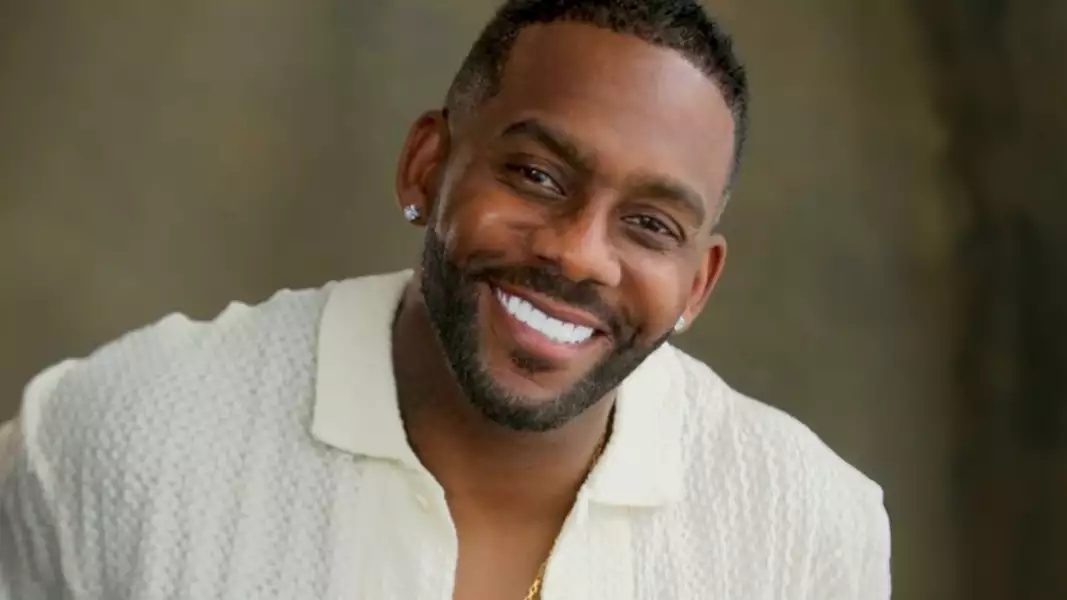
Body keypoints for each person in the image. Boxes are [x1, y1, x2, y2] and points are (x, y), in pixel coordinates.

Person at [0, 0, 891, 598]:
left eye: (651, 225)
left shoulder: (805, 529)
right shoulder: (119, 439)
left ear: (698, 282)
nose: (577, 253)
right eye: (537, 175)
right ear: (427, 164)